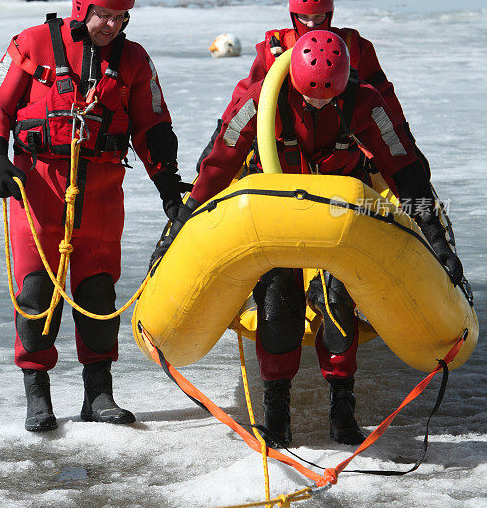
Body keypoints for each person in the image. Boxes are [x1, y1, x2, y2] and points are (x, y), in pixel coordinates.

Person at [152, 30, 462, 449]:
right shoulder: (261, 99)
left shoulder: (365, 102)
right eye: (310, 97)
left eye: (326, 98)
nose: (318, 103)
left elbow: (405, 170)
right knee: (279, 303)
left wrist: (438, 243)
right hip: (277, 210)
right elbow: (218, 163)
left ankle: (342, 407)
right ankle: (276, 412)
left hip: (340, 216)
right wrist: (181, 223)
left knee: (337, 302)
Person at [0, 0, 183, 432]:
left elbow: (153, 128)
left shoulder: (133, 61)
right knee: (35, 295)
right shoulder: (30, 44)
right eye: (105, 15)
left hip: (103, 194)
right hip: (38, 192)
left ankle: (99, 395)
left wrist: (169, 189)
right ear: (81, 5)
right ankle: (38, 396)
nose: (113, 26)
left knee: (97, 294)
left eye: (121, 17)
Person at [196, 0, 430, 177]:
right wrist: (216, 142)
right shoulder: (273, 50)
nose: (311, 24)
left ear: (330, 14)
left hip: (340, 158)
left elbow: (383, 98)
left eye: (319, 18)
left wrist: (408, 143)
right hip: (282, 157)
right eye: (303, 17)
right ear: (292, 15)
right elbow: (244, 98)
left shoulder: (354, 48)